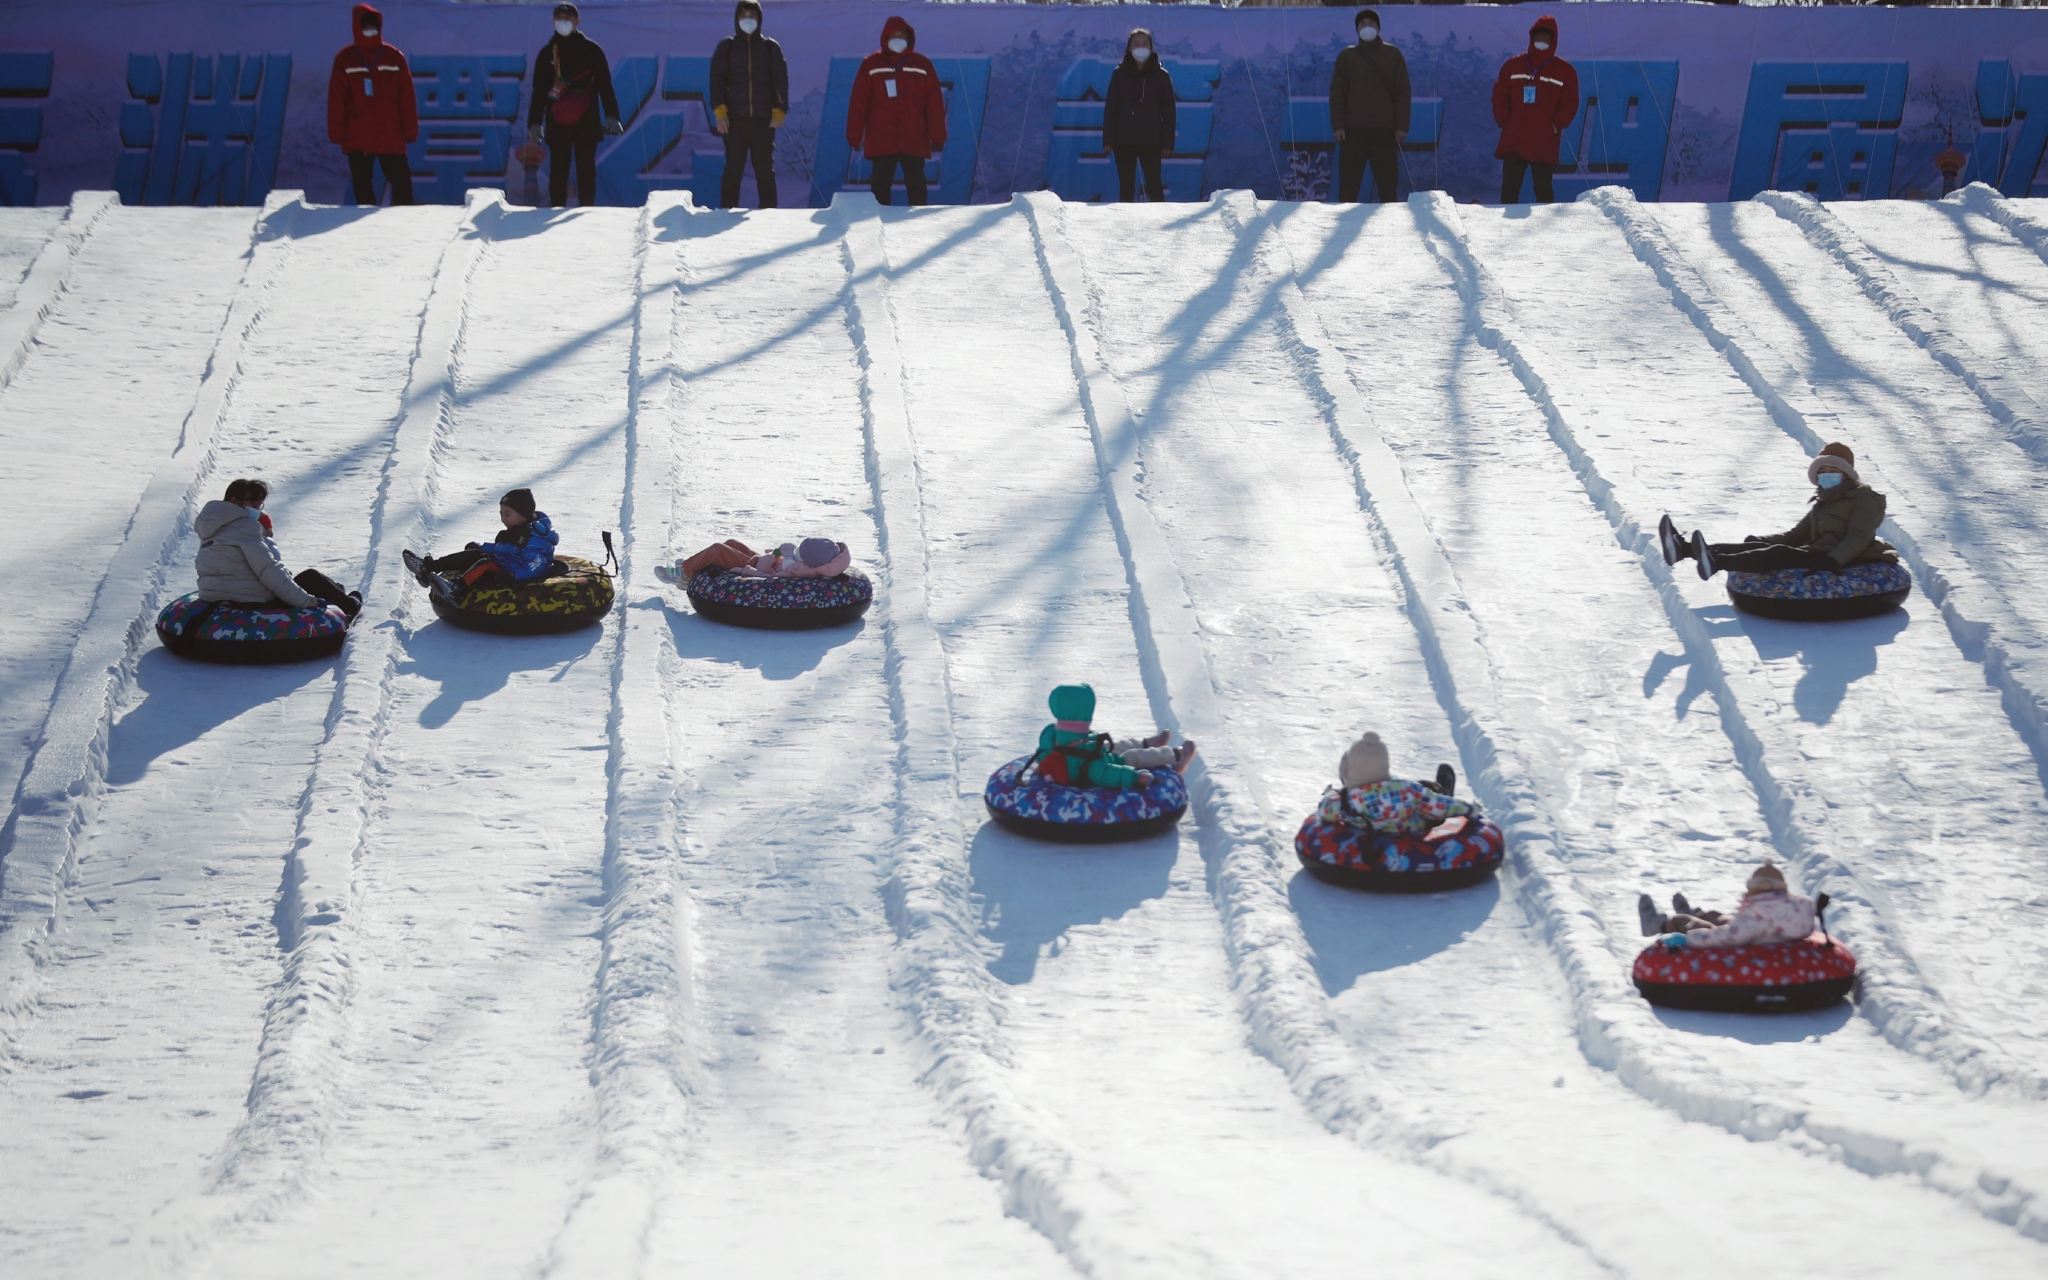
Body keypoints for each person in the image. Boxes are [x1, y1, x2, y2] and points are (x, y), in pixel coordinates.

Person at [1659, 442, 1899, 580]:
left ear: (1846, 473)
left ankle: (1716, 563)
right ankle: (1685, 549)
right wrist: (1761, 540)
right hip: (1817, 552)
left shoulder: (1864, 498)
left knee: (1780, 553)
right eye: (1822, 470)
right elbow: (1795, 536)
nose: (1827, 474)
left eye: (1833, 469)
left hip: (1842, 557)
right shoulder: (1824, 501)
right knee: (1761, 547)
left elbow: (1858, 537)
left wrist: (1833, 560)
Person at [194, 479, 360, 615]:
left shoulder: (213, 525)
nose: (257, 508)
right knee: (311, 578)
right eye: (252, 501)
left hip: (213, 595)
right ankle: (349, 606)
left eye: (259, 503)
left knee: (302, 581)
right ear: (234, 501)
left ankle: (334, 591)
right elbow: (268, 569)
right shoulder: (244, 526)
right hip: (249, 599)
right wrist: (305, 601)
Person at [529, 4, 624, 209]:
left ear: (577, 22)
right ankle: (555, 211)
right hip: (556, 119)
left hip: (586, 119)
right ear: (553, 22)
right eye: (559, 18)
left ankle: (586, 213)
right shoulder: (547, 54)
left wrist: (612, 116)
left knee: (586, 171)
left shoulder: (592, 50)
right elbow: (538, 91)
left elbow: (604, 85)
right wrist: (534, 123)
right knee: (558, 172)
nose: (563, 22)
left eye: (567, 18)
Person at [846, 16, 947, 207]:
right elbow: (859, 104)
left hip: (914, 136)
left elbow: (934, 104)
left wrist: (938, 135)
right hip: (881, 137)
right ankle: (879, 222)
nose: (897, 39)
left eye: (901, 35)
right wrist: (854, 135)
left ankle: (919, 221)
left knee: (916, 182)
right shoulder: (871, 64)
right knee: (880, 184)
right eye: (893, 36)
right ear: (885, 37)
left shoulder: (922, 64)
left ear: (909, 37)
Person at [327, 3, 417, 207]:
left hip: (390, 133)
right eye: (365, 26)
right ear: (357, 27)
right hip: (358, 135)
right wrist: (337, 132)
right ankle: (365, 229)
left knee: (402, 184)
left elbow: (407, 98)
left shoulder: (393, 57)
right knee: (362, 186)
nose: (370, 30)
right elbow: (337, 100)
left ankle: (407, 225)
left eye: (373, 26)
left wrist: (410, 131)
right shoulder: (345, 59)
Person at [1027, 683, 1196, 790]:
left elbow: (1042, 753)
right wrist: (1135, 777)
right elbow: (1103, 774)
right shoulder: (1088, 749)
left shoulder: (1052, 737)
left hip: (1085, 758)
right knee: (1131, 756)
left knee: (1112, 746)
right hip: (1086, 771)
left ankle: (1146, 743)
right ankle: (1174, 756)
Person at [402, 489, 560, 597]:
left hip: (514, 572)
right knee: (474, 555)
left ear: (523, 514)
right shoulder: (518, 530)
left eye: (507, 514)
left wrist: (514, 574)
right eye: (502, 514)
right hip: (507, 563)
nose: (503, 519)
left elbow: (536, 564)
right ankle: (428, 568)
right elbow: (504, 549)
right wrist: (481, 547)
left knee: (486, 564)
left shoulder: (535, 539)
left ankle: (457, 588)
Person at [1490, 14, 1577, 205]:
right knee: (1509, 189)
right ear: (1532, 37)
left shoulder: (1564, 71)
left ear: (1553, 40)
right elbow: (1499, 95)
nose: (1542, 40)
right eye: (1539, 36)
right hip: (1515, 139)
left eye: (1547, 37)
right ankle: (1502, 230)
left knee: (1543, 190)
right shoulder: (1513, 65)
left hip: (1544, 139)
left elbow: (1570, 103)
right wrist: (1505, 121)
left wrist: (1555, 126)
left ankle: (1545, 232)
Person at [709, 0, 789, 209]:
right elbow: (716, 80)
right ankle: (726, 212)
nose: (747, 20)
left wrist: (779, 110)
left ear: (759, 19)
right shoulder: (726, 47)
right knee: (733, 169)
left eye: (752, 16)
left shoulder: (770, 48)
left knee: (764, 171)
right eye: (743, 15)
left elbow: (780, 80)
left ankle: (769, 214)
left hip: (764, 121)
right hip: (734, 120)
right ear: (736, 19)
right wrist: (720, 112)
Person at [1328, 8, 1410, 205]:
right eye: (1362, 24)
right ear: (1357, 29)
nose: (1367, 27)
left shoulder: (1393, 54)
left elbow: (1403, 93)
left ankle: (1392, 227)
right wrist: (1338, 126)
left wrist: (1402, 126)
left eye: (1371, 23)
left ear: (1378, 28)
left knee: (1388, 187)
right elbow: (1337, 94)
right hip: (1352, 132)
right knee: (1348, 187)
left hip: (1385, 131)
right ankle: (1345, 229)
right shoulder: (1346, 57)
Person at [1317, 731, 1472, 836]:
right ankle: (1440, 790)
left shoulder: (1348, 802)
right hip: (1412, 833)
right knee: (1427, 799)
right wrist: (1468, 808)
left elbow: (1324, 809)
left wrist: (1333, 794)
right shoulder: (1408, 789)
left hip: (1371, 832)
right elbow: (1439, 806)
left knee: (1422, 795)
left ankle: (1433, 791)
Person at [1638, 861, 1816, 950]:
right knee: (1718, 916)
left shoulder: (1756, 916)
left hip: (1746, 937)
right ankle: (1696, 914)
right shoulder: (1797, 908)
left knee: (1683, 922)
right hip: (1760, 932)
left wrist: (1688, 940)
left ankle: (1657, 924)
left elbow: (1727, 937)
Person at [1102, 29, 1175, 204]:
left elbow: (1169, 112)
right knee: (1126, 187)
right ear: (1128, 48)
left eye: (1144, 44)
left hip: (1152, 141)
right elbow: (1111, 108)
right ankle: (1127, 226)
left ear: (1151, 48)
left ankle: (1161, 222)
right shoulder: (1119, 74)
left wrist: (1168, 142)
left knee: (1154, 186)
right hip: (1123, 141)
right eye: (1136, 44)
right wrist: (1108, 139)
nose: (1140, 47)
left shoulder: (1162, 76)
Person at [660, 537, 850, 583]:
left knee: (718, 550)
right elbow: (785, 551)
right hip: (760, 559)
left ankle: (684, 574)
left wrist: (749, 572)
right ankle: (693, 564)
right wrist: (776, 553)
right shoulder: (802, 560)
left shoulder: (799, 570)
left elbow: (773, 580)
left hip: (754, 566)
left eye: (801, 552)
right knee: (731, 543)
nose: (797, 553)